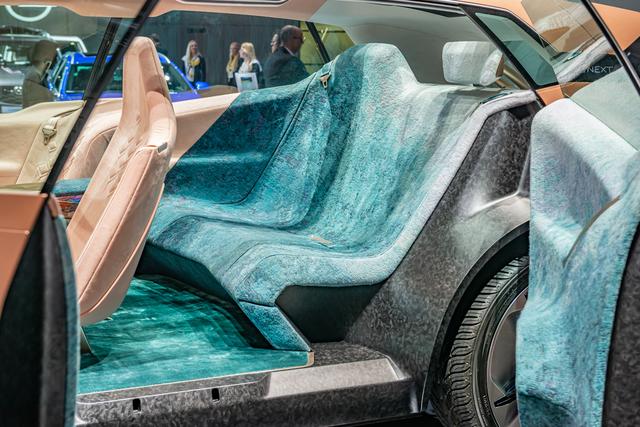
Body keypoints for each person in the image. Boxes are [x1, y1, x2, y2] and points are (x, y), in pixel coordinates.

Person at [22, 39, 57, 108]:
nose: (56, 60)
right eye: (54, 56)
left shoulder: (39, 76)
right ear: (46, 57)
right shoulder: (33, 78)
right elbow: (37, 106)